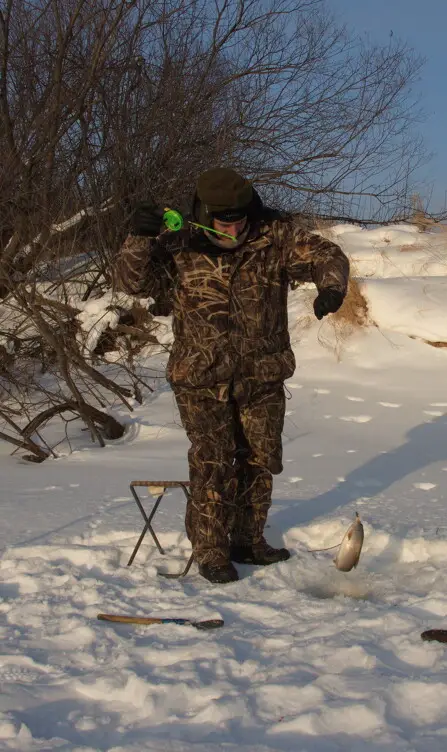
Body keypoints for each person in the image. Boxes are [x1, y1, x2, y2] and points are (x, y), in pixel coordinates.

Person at [115, 168, 349, 584]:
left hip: (262, 374)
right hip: (201, 377)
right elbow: (132, 281)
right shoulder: (178, 246)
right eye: (225, 220)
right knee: (214, 461)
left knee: (260, 459)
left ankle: (248, 540)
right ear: (204, 214)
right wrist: (139, 237)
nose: (234, 227)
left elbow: (327, 256)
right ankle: (211, 551)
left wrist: (330, 288)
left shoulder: (274, 238)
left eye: (240, 218)